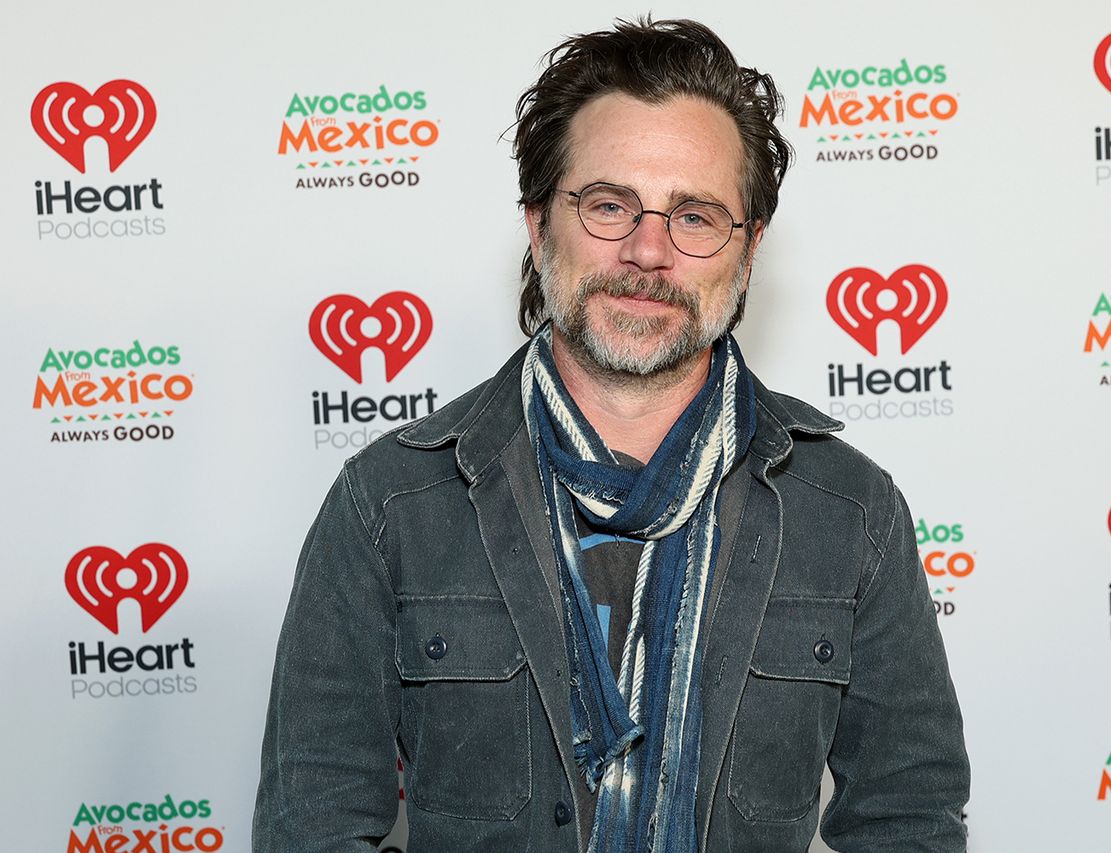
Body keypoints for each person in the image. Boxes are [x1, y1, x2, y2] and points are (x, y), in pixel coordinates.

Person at [254, 17, 969, 853]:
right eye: (608, 205)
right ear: (537, 221)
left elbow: (908, 820)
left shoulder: (848, 510)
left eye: (696, 216)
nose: (648, 248)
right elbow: (313, 827)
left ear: (748, 249)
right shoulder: (391, 503)